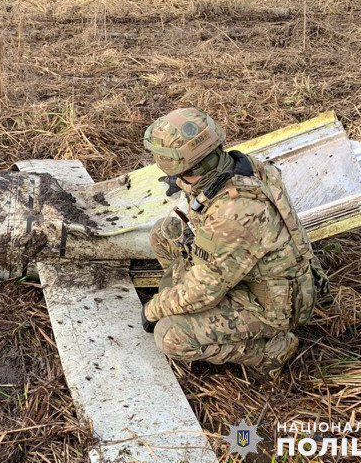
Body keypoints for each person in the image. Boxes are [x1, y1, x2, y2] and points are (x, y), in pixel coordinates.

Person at [140, 108, 328, 380]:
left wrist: (154, 309)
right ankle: (182, 295)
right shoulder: (242, 165)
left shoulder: (234, 212)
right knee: (164, 233)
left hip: (272, 306)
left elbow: (203, 292)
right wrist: (187, 184)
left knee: (169, 335)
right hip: (252, 273)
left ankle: (271, 350)